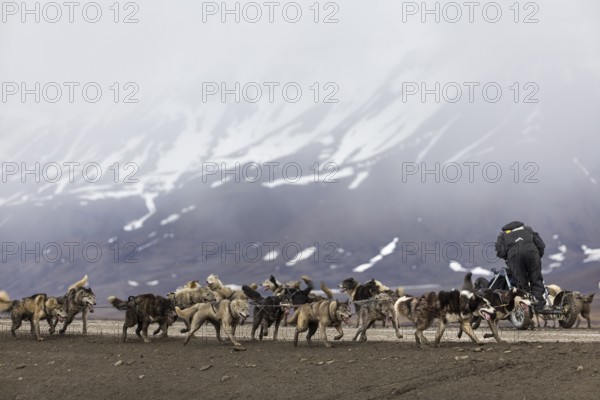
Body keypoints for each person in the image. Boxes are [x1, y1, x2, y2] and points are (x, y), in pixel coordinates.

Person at [495, 221, 546, 312]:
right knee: (536, 279)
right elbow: (541, 245)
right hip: (532, 252)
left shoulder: (503, 235)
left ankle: (526, 307)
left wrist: (508, 259)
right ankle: (538, 304)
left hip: (514, 256)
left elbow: (500, 252)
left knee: (521, 282)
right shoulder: (528, 230)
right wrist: (538, 256)